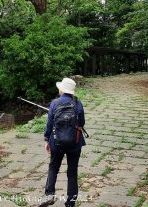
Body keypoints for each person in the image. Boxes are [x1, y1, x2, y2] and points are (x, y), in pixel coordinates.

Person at [39, 77, 85, 207]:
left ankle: (49, 194)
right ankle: (70, 202)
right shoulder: (78, 103)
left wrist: (47, 139)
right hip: (75, 142)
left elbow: (49, 124)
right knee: (72, 172)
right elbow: (81, 123)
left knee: (53, 167)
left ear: (62, 90)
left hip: (56, 142)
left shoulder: (54, 103)